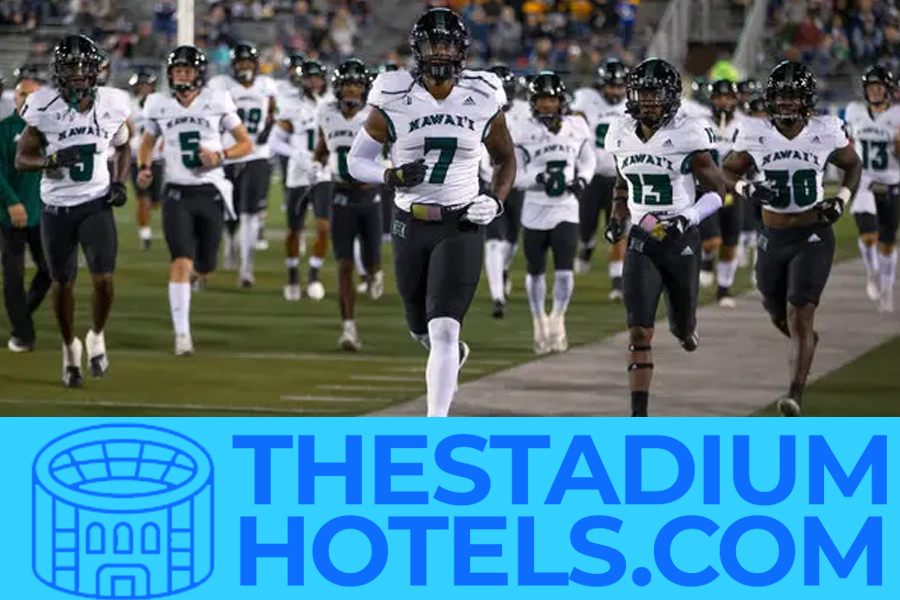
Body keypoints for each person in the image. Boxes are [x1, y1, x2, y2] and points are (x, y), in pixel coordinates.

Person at [347, 7, 516, 417]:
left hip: (460, 222)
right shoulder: (393, 96)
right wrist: (390, 175)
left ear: (461, 51)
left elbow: (506, 159)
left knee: (444, 329)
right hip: (409, 222)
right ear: (416, 50)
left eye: (446, 45)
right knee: (419, 328)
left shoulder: (482, 95)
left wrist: (495, 200)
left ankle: (434, 427)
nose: (439, 52)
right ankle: (451, 356)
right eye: (431, 45)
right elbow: (356, 161)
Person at [722, 60, 862, 416]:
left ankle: (795, 394)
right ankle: (806, 342)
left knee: (800, 312)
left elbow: (853, 164)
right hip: (771, 236)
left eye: (793, 97)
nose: (786, 103)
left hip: (812, 233)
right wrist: (746, 188)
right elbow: (727, 170)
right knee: (775, 310)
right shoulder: (753, 132)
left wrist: (841, 199)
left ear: (806, 100)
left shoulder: (825, 130)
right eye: (781, 97)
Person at [604, 58, 727, 417]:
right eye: (643, 93)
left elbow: (718, 192)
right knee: (639, 331)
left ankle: (687, 330)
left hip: (681, 239)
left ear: (671, 96)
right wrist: (617, 214)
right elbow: (623, 179)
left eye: (656, 94)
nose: (649, 101)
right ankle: (638, 415)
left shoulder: (688, 133)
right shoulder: (620, 131)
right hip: (642, 239)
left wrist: (687, 218)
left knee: (681, 326)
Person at [15, 34, 131, 388]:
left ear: (96, 70)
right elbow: (22, 159)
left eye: (83, 67)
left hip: (96, 203)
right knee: (62, 283)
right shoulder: (42, 105)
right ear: (58, 71)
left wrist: (120, 182)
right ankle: (70, 349)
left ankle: (97, 334)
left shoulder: (112, 103)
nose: (78, 74)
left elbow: (124, 146)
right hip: (57, 209)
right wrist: (49, 161)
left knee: (104, 280)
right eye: (70, 67)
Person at [138, 46, 252, 356]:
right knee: (180, 261)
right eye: (177, 71)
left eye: (187, 70)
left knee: (205, 265)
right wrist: (144, 168)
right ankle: (182, 334)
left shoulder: (217, 100)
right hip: (176, 193)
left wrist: (221, 155)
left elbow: (246, 143)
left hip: (210, 191)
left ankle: (200, 275)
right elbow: (147, 143)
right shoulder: (158, 104)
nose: (182, 76)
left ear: (198, 73)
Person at [515, 71, 595, 353]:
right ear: (533, 102)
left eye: (551, 99)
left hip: (565, 208)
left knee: (564, 270)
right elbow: (513, 174)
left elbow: (588, 160)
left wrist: (582, 179)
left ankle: (558, 319)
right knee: (535, 271)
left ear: (561, 101)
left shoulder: (577, 126)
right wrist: (536, 179)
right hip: (534, 208)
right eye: (541, 100)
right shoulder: (521, 129)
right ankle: (538, 321)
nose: (547, 105)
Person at [314, 58, 383, 350]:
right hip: (341, 196)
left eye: (357, 85)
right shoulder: (326, 112)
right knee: (344, 265)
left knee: (371, 260)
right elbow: (321, 148)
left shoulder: (375, 114)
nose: (352, 90)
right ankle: (348, 328)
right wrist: (317, 166)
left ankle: (375, 271)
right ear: (338, 88)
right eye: (347, 85)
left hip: (370, 197)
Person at [209, 41, 278, 287]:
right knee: (229, 210)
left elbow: (273, 113)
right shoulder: (221, 85)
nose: (245, 67)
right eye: (241, 63)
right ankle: (230, 240)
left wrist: (268, 130)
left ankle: (246, 269)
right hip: (229, 152)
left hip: (257, 154)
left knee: (250, 213)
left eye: (249, 62)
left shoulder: (267, 85)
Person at [571, 58, 629, 299]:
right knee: (586, 228)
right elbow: (573, 127)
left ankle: (617, 282)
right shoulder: (586, 99)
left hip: (620, 178)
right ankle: (586, 246)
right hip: (592, 176)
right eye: (611, 86)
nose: (616, 91)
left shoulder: (632, 105)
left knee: (619, 227)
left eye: (620, 86)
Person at [843, 66, 900, 312]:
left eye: (879, 87)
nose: (874, 92)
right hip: (864, 180)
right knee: (868, 235)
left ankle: (887, 287)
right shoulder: (854, 112)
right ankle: (872, 271)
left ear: (888, 90)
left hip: (891, 181)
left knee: (887, 242)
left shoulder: (897, 115)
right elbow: (846, 142)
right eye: (871, 88)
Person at [0, 76, 50, 352]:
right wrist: (11, 202)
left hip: (41, 213)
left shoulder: (49, 129)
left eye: (32, 95)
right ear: (14, 97)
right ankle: (22, 334)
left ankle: (22, 315)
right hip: (9, 215)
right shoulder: (4, 129)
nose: (26, 100)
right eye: (22, 94)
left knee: (50, 269)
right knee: (13, 276)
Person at [272, 59, 326, 301]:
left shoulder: (331, 104)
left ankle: (314, 274)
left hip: (324, 174)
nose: (314, 82)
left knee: (324, 227)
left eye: (317, 78)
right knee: (295, 228)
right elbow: (275, 141)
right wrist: (297, 154)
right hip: (297, 175)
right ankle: (293, 274)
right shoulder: (291, 105)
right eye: (309, 78)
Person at [481, 63, 526, 318]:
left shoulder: (524, 112)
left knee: (511, 240)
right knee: (494, 241)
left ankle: (503, 271)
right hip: (487, 184)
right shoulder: (474, 110)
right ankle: (497, 296)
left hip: (516, 184)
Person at [698, 79, 745, 306]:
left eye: (728, 98)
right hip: (708, 190)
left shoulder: (744, 126)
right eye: (719, 97)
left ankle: (724, 290)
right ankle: (706, 259)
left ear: (735, 100)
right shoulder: (701, 123)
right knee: (711, 241)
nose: (723, 102)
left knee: (730, 244)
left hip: (734, 190)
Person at [129, 68, 163, 251]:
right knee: (142, 196)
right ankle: (145, 233)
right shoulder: (129, 105)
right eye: (141, 85)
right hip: (137, 158)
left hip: (158, 157)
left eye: (146, 85)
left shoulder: (161, 104)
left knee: (156, 201)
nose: (143, 88)